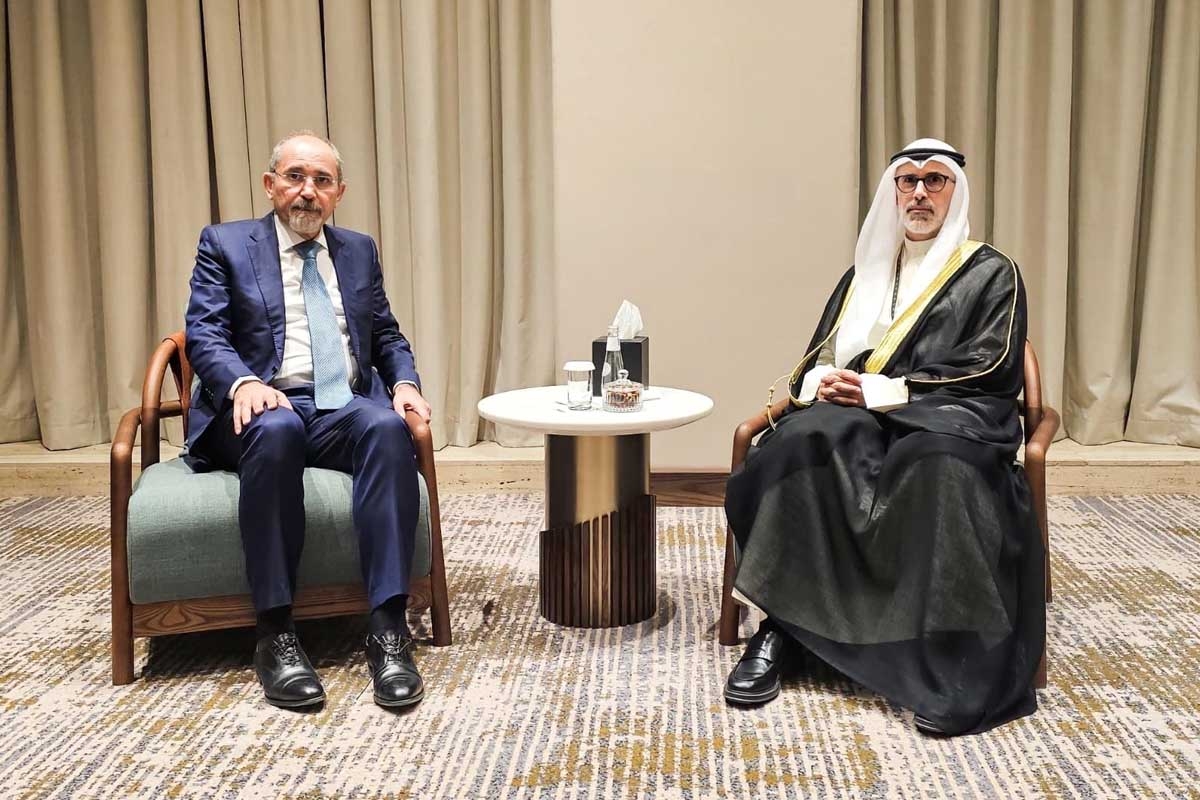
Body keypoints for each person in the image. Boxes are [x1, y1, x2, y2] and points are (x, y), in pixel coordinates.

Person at [723, 138, 1045, 736]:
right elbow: (819, 356)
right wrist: (823, 382)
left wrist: (887, 391)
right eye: (907, 181)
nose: (920, 193)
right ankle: (784, 630)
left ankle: (954, 657)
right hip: (858, 409)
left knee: (938, 464)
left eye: (934, 180)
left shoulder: (991, 271)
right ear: (893, 192)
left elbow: (992, 366)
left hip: (951, 412)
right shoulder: (864, 272)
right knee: (798, 446)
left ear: (955, 192)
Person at [184, 131, 432, 710]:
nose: (307, 191)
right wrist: (243, 382)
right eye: (295, 177)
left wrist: (404, 384)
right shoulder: (225, 244)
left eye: (322, 181)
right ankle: (275, 632)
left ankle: (388, 628)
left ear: (338, 193)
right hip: (259, 404)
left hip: (338, 405)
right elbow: (205, 334)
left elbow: (386, 334)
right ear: (270, 185)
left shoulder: (358, 250)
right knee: (278, 429)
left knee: (386, 428)